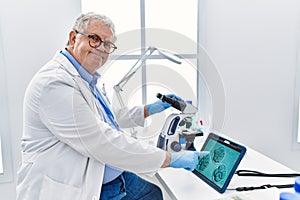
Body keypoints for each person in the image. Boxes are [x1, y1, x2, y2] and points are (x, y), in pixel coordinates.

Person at [16, 12, 209, 200]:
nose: (101, 48)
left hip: (115, 177)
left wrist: (149, 109)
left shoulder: (84, 79)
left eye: (107, 44)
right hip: (79, 185)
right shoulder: (55, 83)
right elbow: (102, 141)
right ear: (73, 37)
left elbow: (105, 118)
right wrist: (169, 158)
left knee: (152, 193)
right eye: (94, 39)